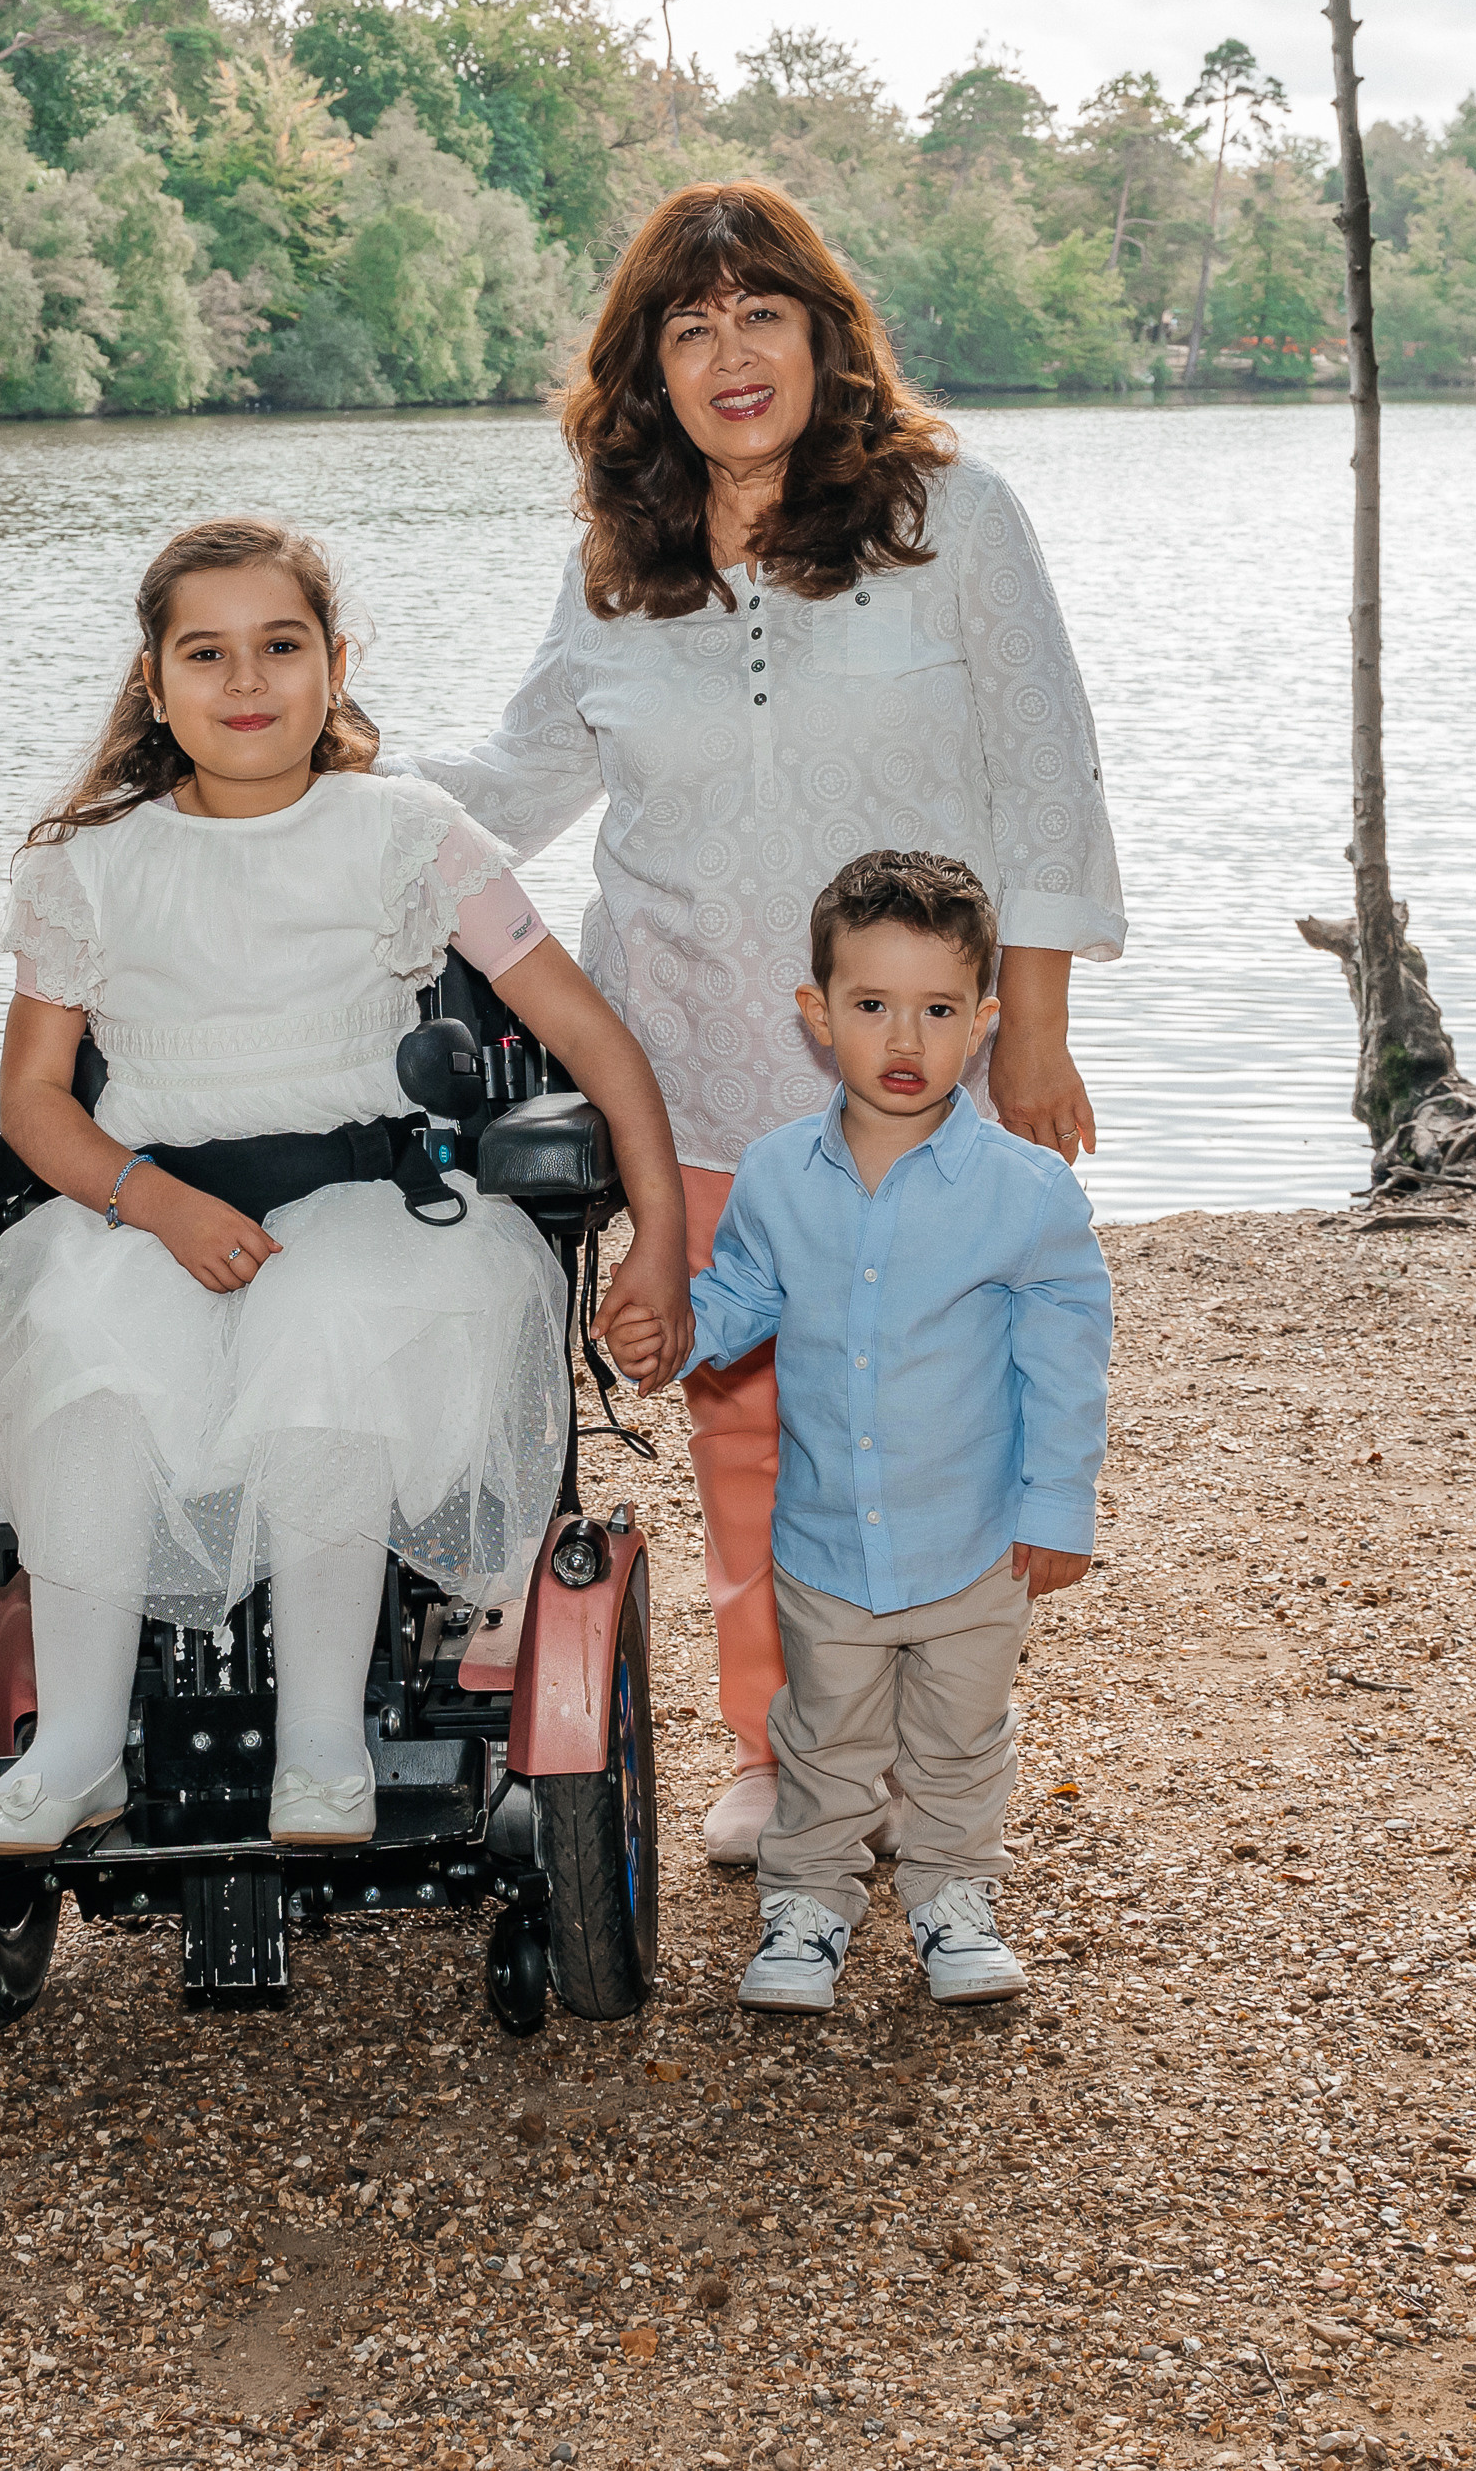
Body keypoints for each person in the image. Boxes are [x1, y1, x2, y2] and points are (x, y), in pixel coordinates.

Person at [392, 178, 1124, 1862]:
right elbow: (516, 780)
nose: (731, 355)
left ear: (822, 334)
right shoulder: (618, 572)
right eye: (691, 326)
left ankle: (925, 1751)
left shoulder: (953, 518)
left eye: (761, 316)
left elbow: (1045, 775)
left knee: (932, 1408)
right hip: (693, 1063)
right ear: (647, 369)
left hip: (911, 1070)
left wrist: (1033, 1023)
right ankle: (778, 1750)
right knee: (744, 1420)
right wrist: (307, 783)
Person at [0, 515, 691, 1858]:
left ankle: (321, 1748)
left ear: (335, 664)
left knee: (326, 1337)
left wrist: (660, 1236)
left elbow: (592, 1038)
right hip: (154, 1208)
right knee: (84, 1366)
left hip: (368, 1208)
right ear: (153, 681)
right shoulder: (88, 862)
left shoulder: (405, 832)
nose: (246, 681)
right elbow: (34, 1103)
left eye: (280, 646)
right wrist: (150, 1202)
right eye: (206, 653)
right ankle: (74, 1751)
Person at [605, 849, 1111, 2014]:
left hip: (971, 1540)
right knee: (821, 1733)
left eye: (937, 1009)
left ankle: (952, 1897)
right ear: (817, 1012)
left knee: (958, 1737)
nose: (904, 1036)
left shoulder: (1027, 1192)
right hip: (827, 1538)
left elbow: (1064, 1367)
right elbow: (743, 1296)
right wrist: (673, 1331)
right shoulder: (776, 1174)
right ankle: (808, 1905)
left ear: (983, 1021)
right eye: (872, 1003)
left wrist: (1056, 1508)